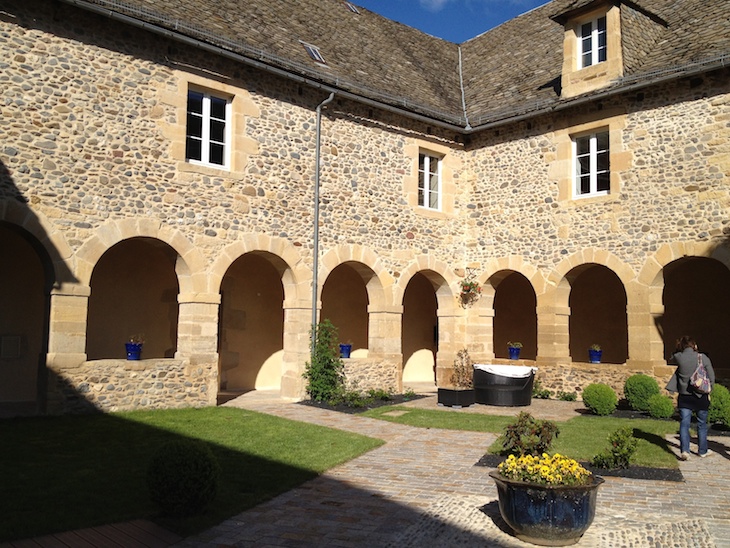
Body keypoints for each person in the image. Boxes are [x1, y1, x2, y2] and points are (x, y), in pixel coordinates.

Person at [666, 336, 715, 460]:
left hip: (685, 396)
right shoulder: (703, 358)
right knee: (701, 424)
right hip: (701, 396)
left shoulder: (679, 357)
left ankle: (685, 451)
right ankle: (702, 451)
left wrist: (678, 349)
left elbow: (672, 356)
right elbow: (711, 377)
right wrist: (709, 390)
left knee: (684, 424)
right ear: (694, 345)